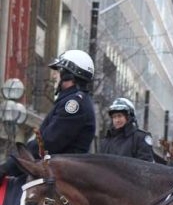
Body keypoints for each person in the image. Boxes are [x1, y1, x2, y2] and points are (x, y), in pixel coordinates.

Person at [0, 49, 96, 177]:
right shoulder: (70, 100)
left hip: (62, 178)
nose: (54, 76)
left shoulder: (74, 104)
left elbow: (46, 144)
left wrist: (8, 167)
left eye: (58, 71)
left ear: (68, 75)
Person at [99, 97, 154, 162]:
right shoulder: (106, 141)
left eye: (120, 116)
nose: (117, 120)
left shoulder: (140, 138)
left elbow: (145, 167)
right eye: (114, 117)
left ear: (129, 117)